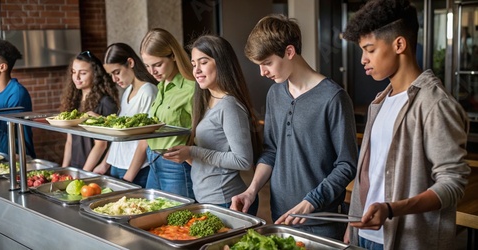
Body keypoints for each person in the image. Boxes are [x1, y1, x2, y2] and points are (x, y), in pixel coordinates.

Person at [342, 0, 470, 249]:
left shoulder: (435, 104)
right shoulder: (379, 102)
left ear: (399, 44)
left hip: (407, 240)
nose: (363, 60)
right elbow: (370, 175)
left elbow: (452, 183)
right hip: (365, 234)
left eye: (369, 49)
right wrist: (352, 221)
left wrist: (391, 209)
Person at [230, 14, 358, 240]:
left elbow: (347, 164)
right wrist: (252, 190)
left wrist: (312, 201)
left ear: (289, 52)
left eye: (267, 63)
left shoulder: (333, 97)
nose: (263, 72)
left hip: (321, 221)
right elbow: (271, 151)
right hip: (281, 217)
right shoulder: (275, 93)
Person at [163, 35, 262, 215]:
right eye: (194, 64)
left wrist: (193, 151)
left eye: (203, 62)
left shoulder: (229, 105)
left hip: (226, 200)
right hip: (207, 198)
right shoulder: (206, 100)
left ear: (221, 63)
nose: (197, 70)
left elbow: (243, 160)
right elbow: (211, 158)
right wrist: (184, 155)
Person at [140, 28, 196, 199]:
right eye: (148, 66)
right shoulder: (161, 86)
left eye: (157, 65)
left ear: (173, 55)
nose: (152, 72)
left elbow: (203, 133)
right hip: (153, 160)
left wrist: (189, 158)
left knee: (178, 220)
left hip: (175, 165)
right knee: (153, 215)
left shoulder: (192, 87)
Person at [92, 43, 158, 187]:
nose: (114, 80)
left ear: (130, 62)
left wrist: (128, 178)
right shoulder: (127, 91)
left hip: (135, 171)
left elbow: (145, 141)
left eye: (117, 72)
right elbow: (119, 135)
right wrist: (104, 165)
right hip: (116, 167)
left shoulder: (148, 92)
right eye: (111, 75)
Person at [60, 51, 119, 170]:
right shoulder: (74, 101)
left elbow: (101, 145)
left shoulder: (106, 103)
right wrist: (64, 169)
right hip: (75, 167)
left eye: (83, 73)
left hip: (94, 170)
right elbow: (70, 141)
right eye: (73, 72)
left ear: (95, 74)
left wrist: (85, 173)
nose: (76, 77)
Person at [0, 38, 36, 158]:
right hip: (1, 158)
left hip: (21, 162)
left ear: (2, 67)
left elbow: (18, 146)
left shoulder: (17, 94)